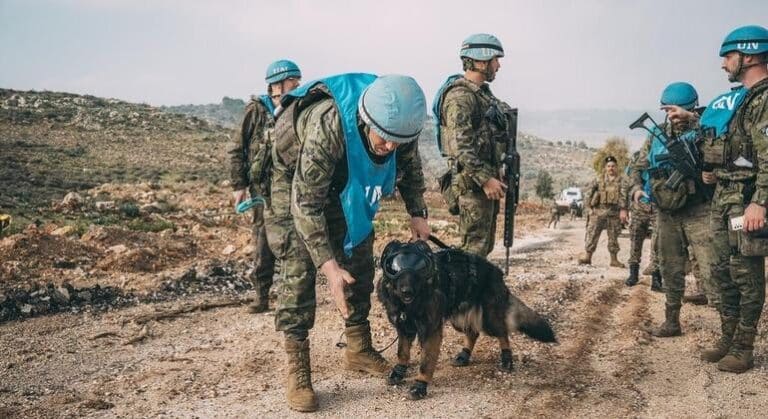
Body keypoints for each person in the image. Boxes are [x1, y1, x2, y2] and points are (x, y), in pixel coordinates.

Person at [266, 73, 430, 411]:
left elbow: (410, 168)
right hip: (295, 185)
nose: (389, 147)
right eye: (384, 140)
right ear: (366, 120)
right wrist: (328, 266)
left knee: (359, 256)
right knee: (297, 269)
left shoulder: (400, 129)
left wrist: (417, 213)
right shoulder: (329, 125)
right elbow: (306, 204)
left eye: (397, 142)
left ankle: (358, 347)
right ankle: (298, 369)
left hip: (345, 180)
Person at [687, 25, 768, 373]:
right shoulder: (745, 100)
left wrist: (760, 202)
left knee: (745, 273)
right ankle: (728, 337)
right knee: (722, 271)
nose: (723, 64)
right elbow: (741, 153)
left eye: (728, 56)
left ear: (747, 55)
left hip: (747, 203)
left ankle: (744, 346)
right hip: (726, 198)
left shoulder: (764, 100)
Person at [629, 82, 719, 339]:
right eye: (666, 110)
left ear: (690, 106)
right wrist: (637, 189)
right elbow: (638, 165)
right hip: (666, 212)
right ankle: (671, 322)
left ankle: (729, 329)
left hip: (699, 209)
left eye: (675, 109)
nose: (671, 114)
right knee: (669, 267)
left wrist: (712, 174)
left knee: (712, 267)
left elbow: (724, 155)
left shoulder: (708, 129)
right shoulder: (656, 134)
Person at [228, 59, 301, 313]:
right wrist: (240, 185)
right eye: (293, 82)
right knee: (262, 240)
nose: (297, 86)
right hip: (262, 190)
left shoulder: (296, 108)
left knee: (291, 239)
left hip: (290, 187)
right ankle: (261, 295)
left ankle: (289, 296)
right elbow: (237, 148)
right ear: (277, 84)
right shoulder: (256, 110)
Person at [434, 34, 513, 256]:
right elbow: (460, 146)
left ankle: (478, 290)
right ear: (480, 61)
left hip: (483, 185)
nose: (498, 65)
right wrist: (486, 179)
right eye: (495, 59)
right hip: (473, 186)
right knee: (473, 251)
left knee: (483, 248)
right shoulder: (460, 97)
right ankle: (464, 291)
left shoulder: (483, 96)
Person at [578, 156, 629, 266]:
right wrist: (589, 209)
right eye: (609, 166)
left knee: (614, 236)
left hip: (614, 213)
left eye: (613, 166)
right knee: (592, 234)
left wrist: (623, 210)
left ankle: (614, 260)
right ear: (605, 168)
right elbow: (588, 194)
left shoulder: (622, 181)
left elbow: (624, 197)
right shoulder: (598, 179)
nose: (611, 168)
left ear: (617, 167)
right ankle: (588, 257)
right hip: (598, 212)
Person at [625, 152, 661, 290]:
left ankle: (657, 279)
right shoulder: (639, 156)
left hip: (658, 205)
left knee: (658, 243)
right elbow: (631, 177)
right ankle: (633, 274)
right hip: (639, 205)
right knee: (636, 239)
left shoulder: (664, 151)